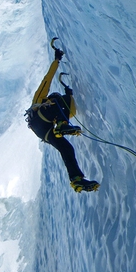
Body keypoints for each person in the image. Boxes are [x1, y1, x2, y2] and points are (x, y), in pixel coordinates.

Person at [25, 42, 100, 193]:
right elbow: (47, 80)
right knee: (58, 102)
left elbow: (69, 112)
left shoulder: (55, 109)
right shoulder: (41, 102)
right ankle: (60, 126)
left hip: (43, 131)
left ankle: (76, 180)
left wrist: (70, 95)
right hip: (40, 119)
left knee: (66, 149)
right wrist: (56, 60)